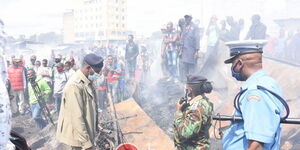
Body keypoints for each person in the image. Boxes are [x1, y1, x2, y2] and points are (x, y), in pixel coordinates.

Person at [222, 40, 286, 149]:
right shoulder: (268, 83)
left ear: (240, 63)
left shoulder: (255, 93)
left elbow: (257, 145)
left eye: (232, 64)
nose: (231, 69)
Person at [56, 53, 104, 150]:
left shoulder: (87, 81)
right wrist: (87, 144)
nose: (99, 74)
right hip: (78, 140)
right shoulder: (74, 86)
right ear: (88, 68)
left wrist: (96, 124)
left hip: (84, 134)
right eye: (97, 71)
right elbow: (76, 117)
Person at [173, 75, 213, 150]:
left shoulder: (197, 108)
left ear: (190, 90)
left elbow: (186, 133)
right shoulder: (203, 101)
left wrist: (178, 112)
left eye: (186, 88)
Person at [180, 15, 200, 80]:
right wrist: (180, 50)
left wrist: (197, 51)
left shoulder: (195, 27)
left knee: (192, 66)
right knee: (185, 66)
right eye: (185, 17)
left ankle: (192, 81)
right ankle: (186, 81)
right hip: (185, 50)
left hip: (192, 50)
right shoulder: (184, 26)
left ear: (190, 18)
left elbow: (197, 38)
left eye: (187, 17)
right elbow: (182, 38)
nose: (186, 19)